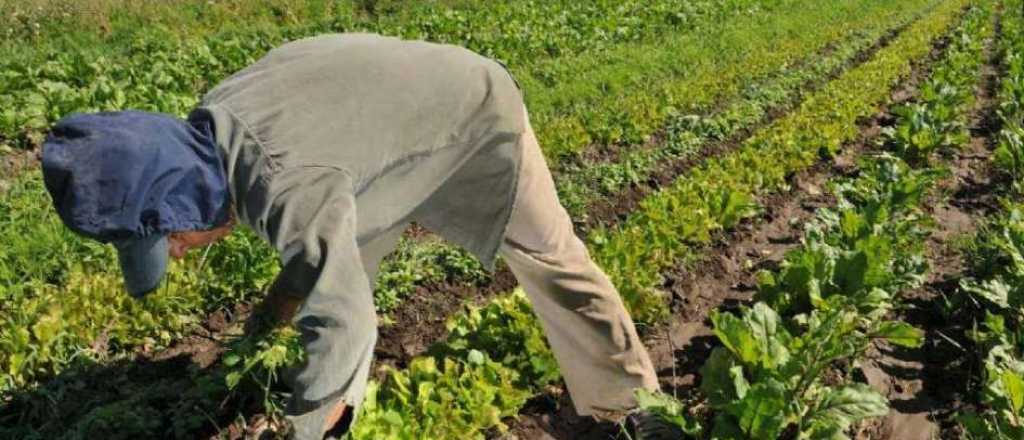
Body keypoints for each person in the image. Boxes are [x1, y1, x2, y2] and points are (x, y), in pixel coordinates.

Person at [39, 33, 679, 439]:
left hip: (472, 111)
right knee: (342, 276)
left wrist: (301, 429)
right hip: (378, 144)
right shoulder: (220, 123)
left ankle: (633, 404)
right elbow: (314, 248)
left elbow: (340, 314)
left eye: (170, 241)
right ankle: (343, 401)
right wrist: (274, 315)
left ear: (186, 204)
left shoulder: (287, 183)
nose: (177, 253)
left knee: (548, 255)